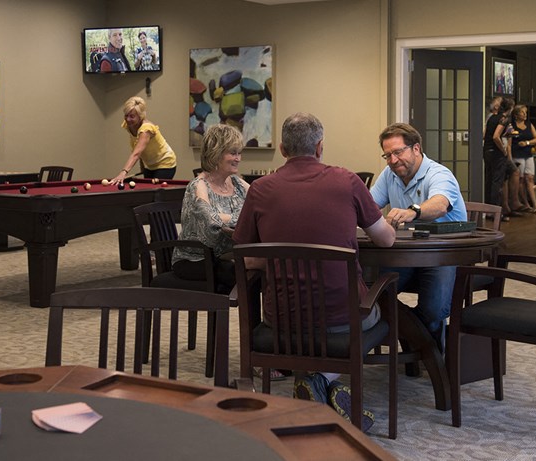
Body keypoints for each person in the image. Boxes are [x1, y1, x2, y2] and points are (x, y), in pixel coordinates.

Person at [234, 112, 395, 431]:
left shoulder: (260, 189)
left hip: (281, 322)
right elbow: (386, 239)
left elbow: (246, 258)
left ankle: (315, 383)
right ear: (320, 147)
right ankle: (321, 380)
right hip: (341, 323)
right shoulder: (348, 180)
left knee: (310, 321)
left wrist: (280, 256)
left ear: (281, 148)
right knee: (383, 302)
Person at [368, 122, 467, 349]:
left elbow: (440, 205)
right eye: (387, 155)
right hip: (407, 255)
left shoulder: (439, 174)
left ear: (416, 149)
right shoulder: (389, 174)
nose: (393, 160)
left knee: (434, 308)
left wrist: (414, 211)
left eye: (398, 152)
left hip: (444, 255)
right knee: (369, 290)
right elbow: (369, 206)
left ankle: (425, 352)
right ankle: (415, 343)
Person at [172, 124, 248, 294]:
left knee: (268, 268)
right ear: (216, 153)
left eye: (239, 153)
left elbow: (262, 201)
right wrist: (244, 217)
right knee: (250, 274)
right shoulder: (199, 186)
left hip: (225, 256)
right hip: (195, 260)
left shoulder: (237, 182)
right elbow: (211, 224)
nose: (238, 158)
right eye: (233, 153)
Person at [110, 96, 177, 184]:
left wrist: (123, 173)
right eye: (126, 115)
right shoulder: (129, 125)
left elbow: (136, 153)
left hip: (165, 163)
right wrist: (142, 166)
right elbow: (139, 146)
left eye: (132, 116)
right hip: (149, 166)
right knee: (147, 194)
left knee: (156, 194)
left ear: (140, 116)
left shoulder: (146, 129)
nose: (128, 119)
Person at [483, 97, 513, 220]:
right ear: (510, 108)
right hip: (496, 153)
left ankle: (487, 210)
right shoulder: (503, 119)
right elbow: (496, 137)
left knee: (489, 180)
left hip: (487, 151)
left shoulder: (491, 117)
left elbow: (486, 135)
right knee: (497, 182)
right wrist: (503, 150)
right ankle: (496, 213)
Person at [509, 104, 536, 211]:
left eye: (526, 112)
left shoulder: (529, 124)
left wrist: (527, 142)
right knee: (521, 179)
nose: (525, 115)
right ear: (517, 114)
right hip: (517, 154)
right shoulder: (512, 125)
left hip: (528, 154)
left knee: (530, 178)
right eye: (523, 112)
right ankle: (525, 204)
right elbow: (509, 141)